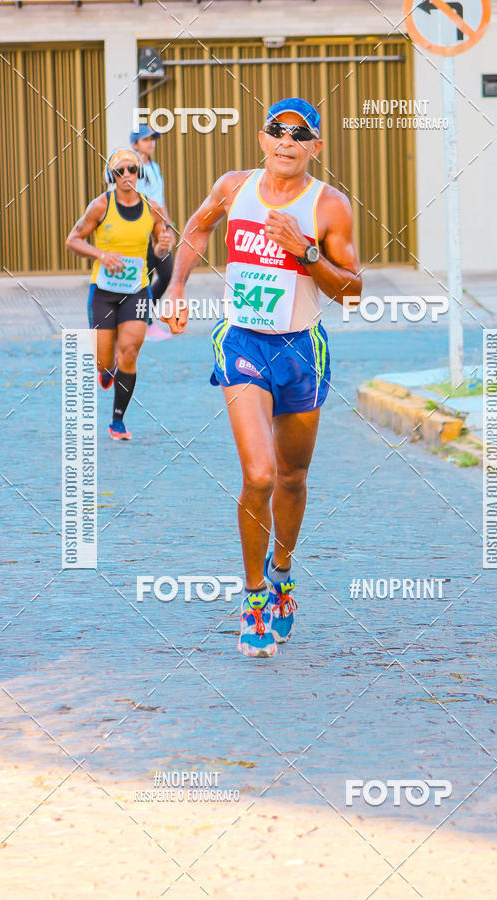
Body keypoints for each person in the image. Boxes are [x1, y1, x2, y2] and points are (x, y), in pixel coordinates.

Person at [162, 98, 362, 658]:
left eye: (300, 135)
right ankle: (253, 601)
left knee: (292, 479)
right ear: (261, 138)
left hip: (302, 349)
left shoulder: (330, 206)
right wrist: (175, 288)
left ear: (315, 148)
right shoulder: (233, 187)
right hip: (242, 343)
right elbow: (197, 230)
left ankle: (282, 577)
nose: (287, 141)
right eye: (278, 131)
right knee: (260, 474)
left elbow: (352, 290)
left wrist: (305, 253)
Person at [66, 147, 170, 440]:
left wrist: (163, 245)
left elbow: (161, 248)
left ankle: (118, 420)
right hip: (103, 291)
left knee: (129, 352)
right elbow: (73, 239)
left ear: (140, 173)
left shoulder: (153, 209)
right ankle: (106, 369)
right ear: (111, 176)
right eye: (120, 171)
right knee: (103, 360)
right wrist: (101, 254)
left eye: (132, 169)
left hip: (137, 291)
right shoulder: (100, 206)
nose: (127, 175)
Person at [130, 124, 176, 340]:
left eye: (152, 139)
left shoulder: (155, 167)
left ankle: (143, 318)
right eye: (146, 139)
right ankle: (145, 324)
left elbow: (161, 199)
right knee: (144, 277)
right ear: (135, 144)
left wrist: (168, 226)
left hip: (158, 228)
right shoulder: (132, 169)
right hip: (141, 228)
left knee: (166, 272)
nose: (151, 143)